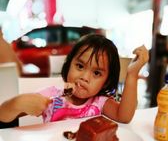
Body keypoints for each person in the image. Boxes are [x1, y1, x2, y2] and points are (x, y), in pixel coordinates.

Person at [0, 34, 149, 125]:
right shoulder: (51, 96)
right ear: (68, 64)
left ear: (107, 81)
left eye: (96, 73)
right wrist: (18, 103)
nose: (84, 77)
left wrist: (132, 74)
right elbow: (3, 116)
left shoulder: (100, 103)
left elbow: (124, 117)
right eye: (79, 66)